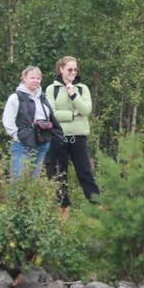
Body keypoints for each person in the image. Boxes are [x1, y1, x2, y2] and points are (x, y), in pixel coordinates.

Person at [43, 56, 99, 216]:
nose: (73, 72)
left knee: (85, 173)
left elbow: (87, 110)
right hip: (58, 138)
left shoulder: (82, 89)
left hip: (78, 138)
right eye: (70, 69)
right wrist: (73, 115)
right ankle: (63, 210)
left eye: (75, 69)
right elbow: (51, 113)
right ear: (61, 69)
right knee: (59, 174)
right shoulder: (51, 89)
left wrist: (74, 95)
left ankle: (98, 208)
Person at [2, 66, 60, 180]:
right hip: (22, 144)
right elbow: (8, 121)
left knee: (34, 179)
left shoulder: (43, 98)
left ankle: (32, 198)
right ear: (24, 78)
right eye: (32, 78)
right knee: (18, 179)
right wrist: (18, 136)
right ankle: (16, 199)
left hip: (42, 143)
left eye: (38, 78)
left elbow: (50, 117)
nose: (35, 81)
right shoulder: (15, 98)